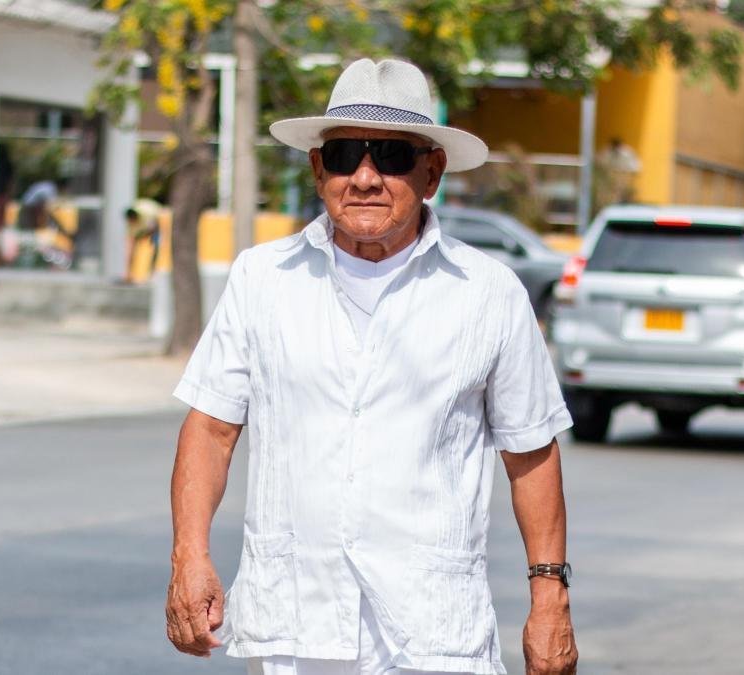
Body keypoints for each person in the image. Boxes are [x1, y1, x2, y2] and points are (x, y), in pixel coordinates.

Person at [164, 58, 578, 675]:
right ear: (316, 168)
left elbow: (530, 455)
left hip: (433, 635)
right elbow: (212, 428)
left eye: (390, 156)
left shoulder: (488, 293)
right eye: (344, 156)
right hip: (295, 630)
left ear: (431, 172)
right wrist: (188, 556)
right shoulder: (262, 279)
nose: (364, 177)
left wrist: (550, 599)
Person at [124, 198, 163, 283]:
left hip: (158, 220)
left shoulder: (148, 215)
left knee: (155, 246)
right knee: (134, 247)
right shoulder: (131, 224)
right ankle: (130, 273)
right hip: (146, 225)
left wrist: (145, 235)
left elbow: (153, 227)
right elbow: (130, 245)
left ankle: (152, 272)